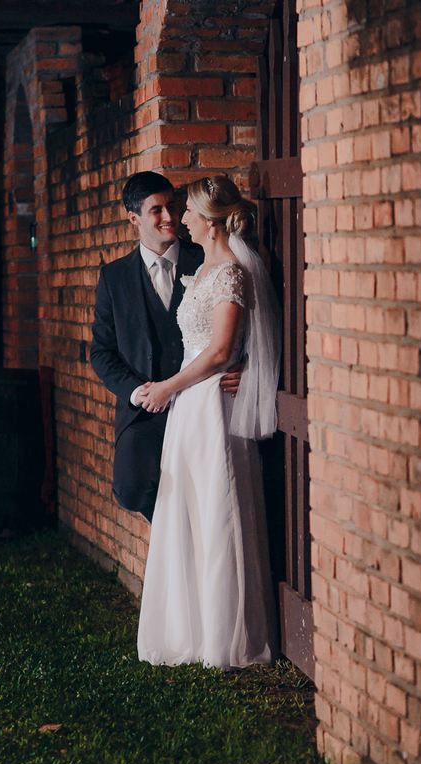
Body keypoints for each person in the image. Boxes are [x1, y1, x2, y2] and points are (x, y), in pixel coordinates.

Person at [134, 174, 281, 670]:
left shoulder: (231, 274)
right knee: (190, 508)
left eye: (189, 213)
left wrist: (168, 387)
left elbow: (220, 350)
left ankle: (226, 635)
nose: (182, 221)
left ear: (210, 220)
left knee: (220, 507)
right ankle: (189, 628)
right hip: (189, 409)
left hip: (212, 406)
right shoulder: (202, 272)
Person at [89, 171, 240, 521]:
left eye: (172, 206)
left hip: (202, 398)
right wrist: (136, 392)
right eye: (156, 210)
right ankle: (174, 544)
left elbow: (236, 326)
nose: (169, 217)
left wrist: (242, 365)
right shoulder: (114, 277)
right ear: (134, 218)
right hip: (147, 408)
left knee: (204, 494)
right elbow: (101, 351)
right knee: (131, 488)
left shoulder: (206, 257)